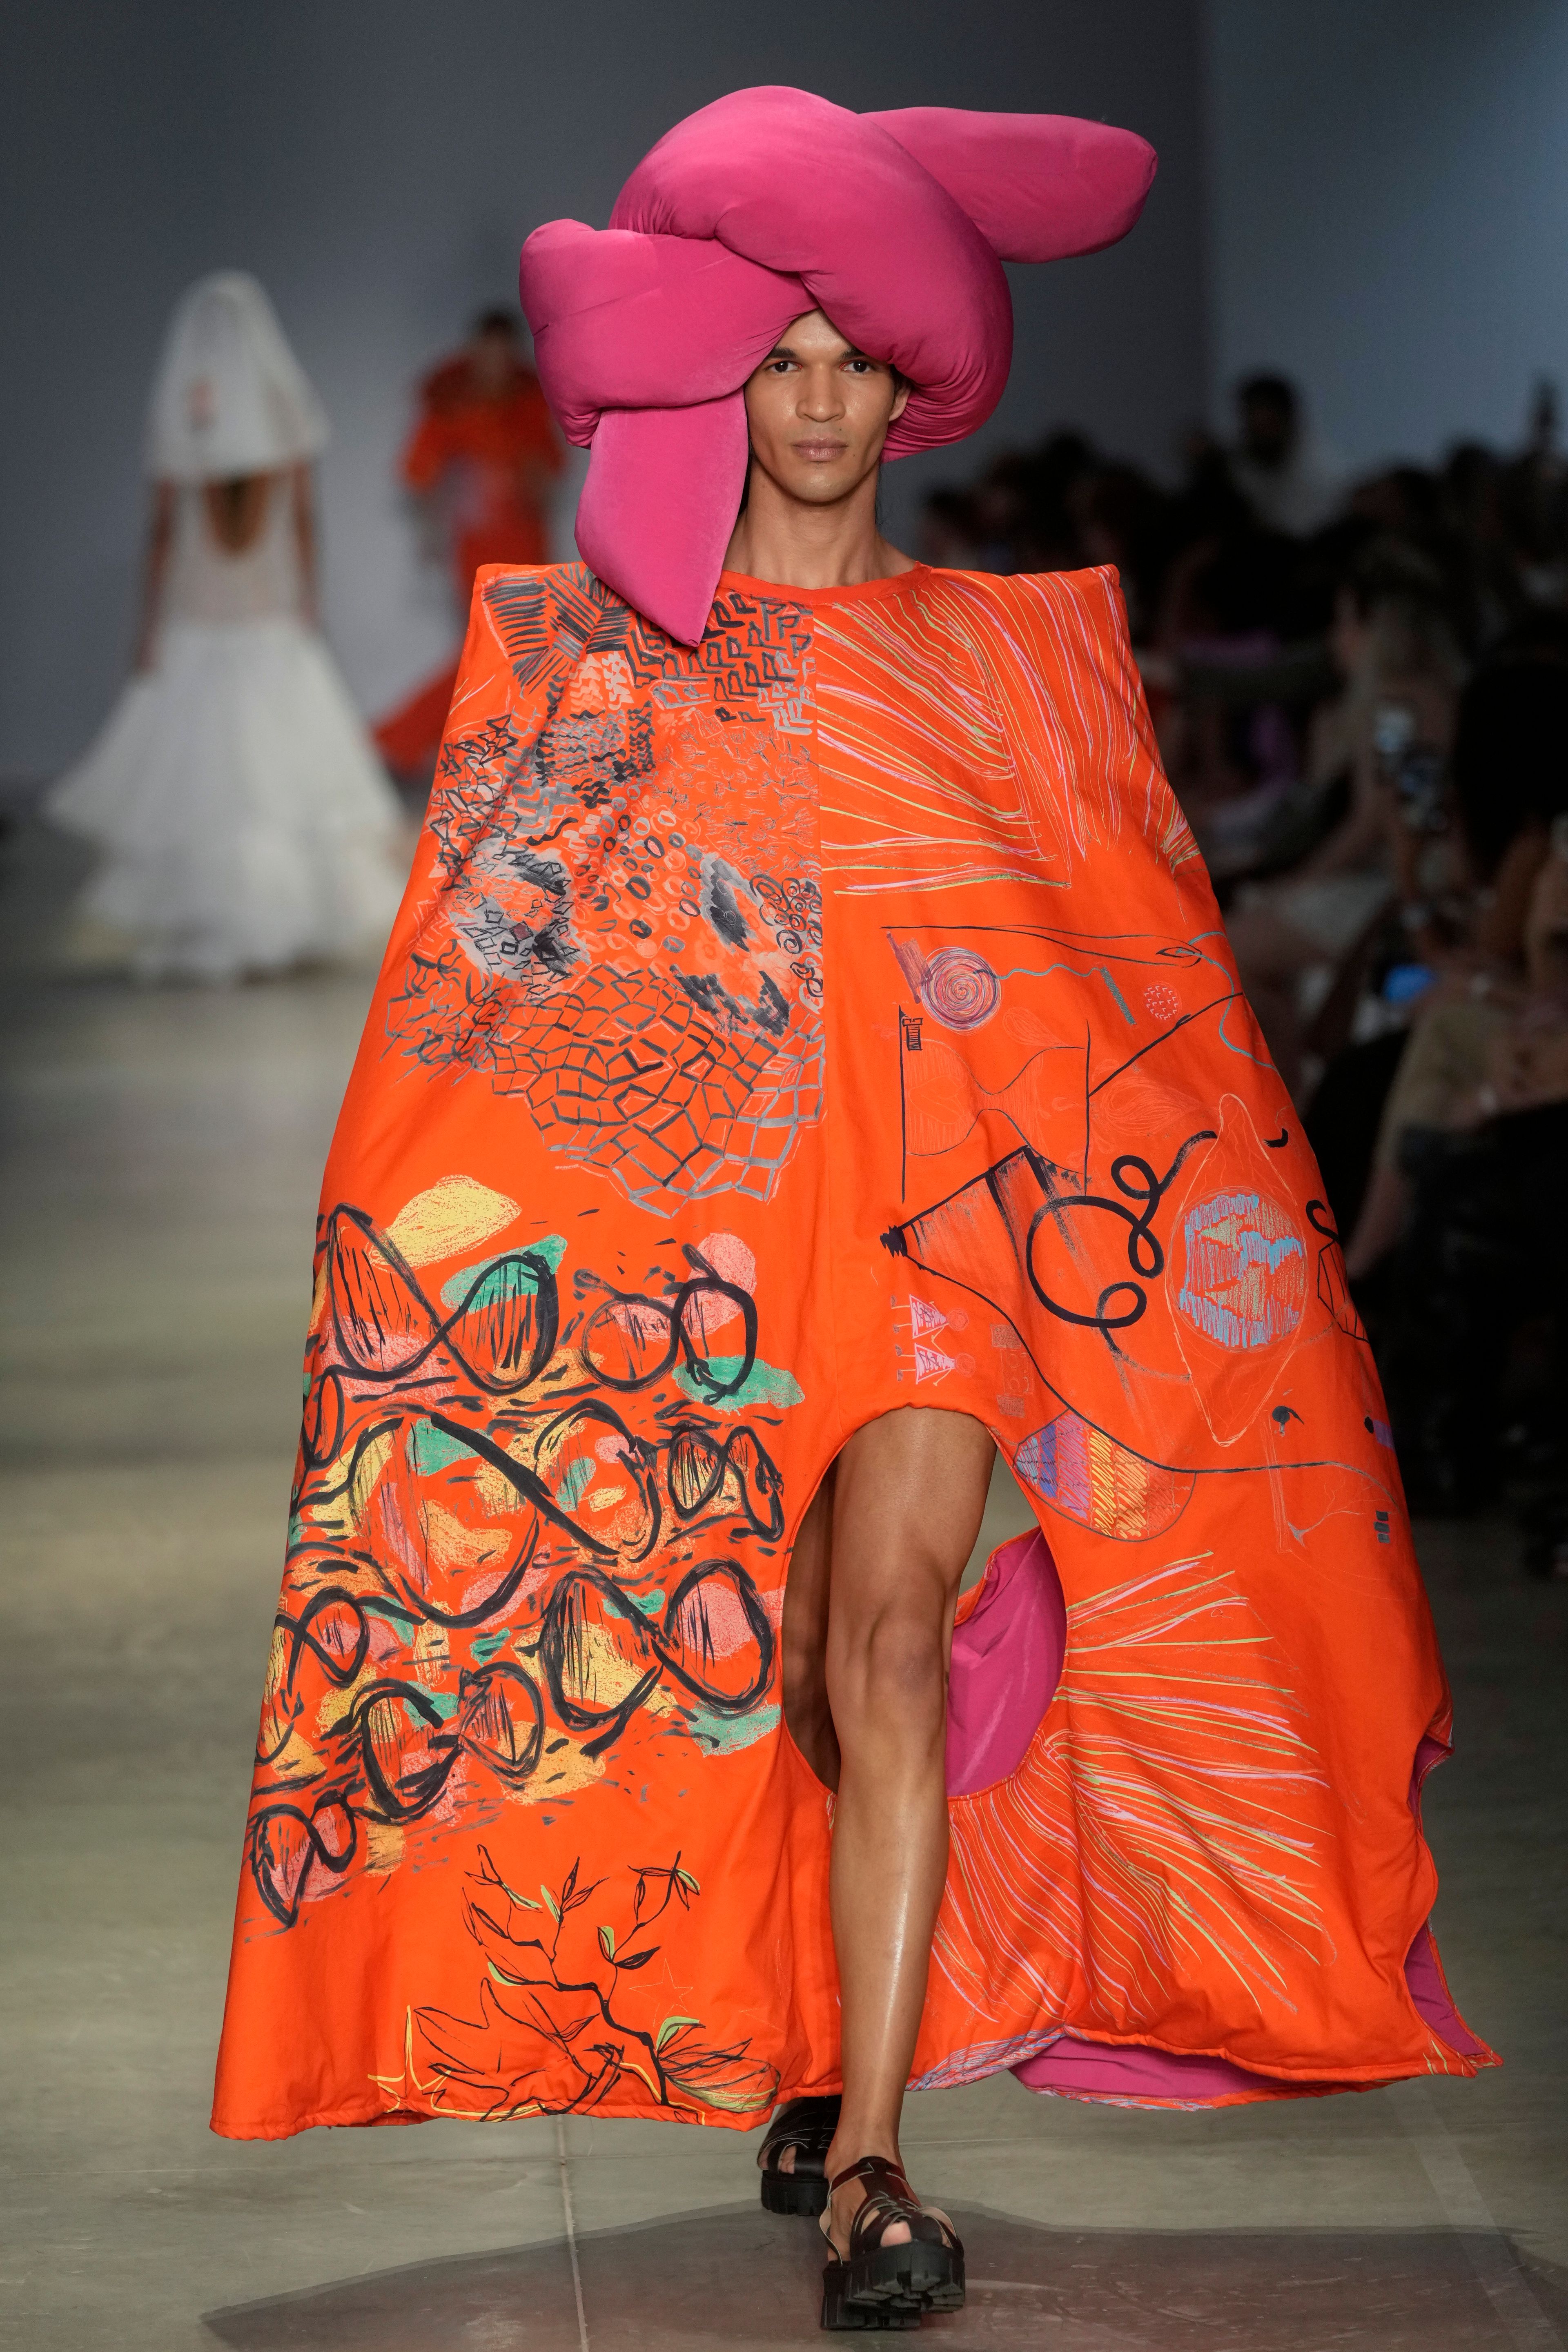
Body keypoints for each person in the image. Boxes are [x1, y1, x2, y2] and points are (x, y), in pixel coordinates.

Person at [211, 92, 1490, 2333]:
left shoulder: (1013, 661)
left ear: (913, 378)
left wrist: (1222, 1250)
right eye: (774, 354)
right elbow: (489, 992)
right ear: (718, 374)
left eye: (847, 356)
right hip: (707, 1254)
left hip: (935, 1247)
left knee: (886, 1641)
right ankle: (823, 2041)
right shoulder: (599, 665)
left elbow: (1132, 972)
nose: (813, 398)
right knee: (791, 1668)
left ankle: (876, 2157)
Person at [45, 274, 408, 982]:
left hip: (199, 624)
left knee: (205, 786)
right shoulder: (283, 405)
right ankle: (293, 926)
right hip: (269, 621)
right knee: (287, 787)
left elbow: (161, 534)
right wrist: (309, 603)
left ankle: (214, 922)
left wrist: (145, 629)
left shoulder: (183, 414)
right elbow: (302, 518)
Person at [372, 307, 564, 783]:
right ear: (475, 352)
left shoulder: (529, 405)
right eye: (487, 352)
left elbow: (549, 477)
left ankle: (445, 750)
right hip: (477, 552)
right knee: (496, 654)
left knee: (511, 658)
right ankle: (400, 740)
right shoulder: (452, 405)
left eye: (503, 354)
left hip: (528, 550)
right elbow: (418, 476)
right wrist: (434, 529)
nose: (494, 363)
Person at [1227, 372, 1344, 537]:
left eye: (1266, 424)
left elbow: (1300, 533)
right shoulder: (1240, 466)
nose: (1258, 432)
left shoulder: (1320, 476)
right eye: (1251, 423)